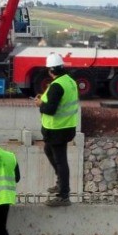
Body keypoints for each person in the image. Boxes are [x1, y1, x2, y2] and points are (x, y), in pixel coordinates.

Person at [39, 53, 78, 207]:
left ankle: (63, 195)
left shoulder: (56, 86)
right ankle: (61, 182)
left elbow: (49, 110)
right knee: (49, 151)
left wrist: (39, 104)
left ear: (51, 70)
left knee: (61, 161)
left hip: (57, 129)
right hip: (68, 126)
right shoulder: (70, 81)